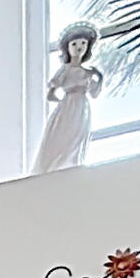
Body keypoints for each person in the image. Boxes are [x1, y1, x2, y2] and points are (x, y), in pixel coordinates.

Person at [34, 22, 104, 172]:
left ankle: (73, 162)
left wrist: (99, 78)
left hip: (81, 107)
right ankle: (58, 163)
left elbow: (94, 93)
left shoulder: (87, 73)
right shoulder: (65, 70)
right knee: (63, 135)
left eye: (83, 43)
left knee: (78, 134)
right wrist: (63, 103)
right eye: (74, 44)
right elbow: (51, 93)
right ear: (68, 47)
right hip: (68, 106)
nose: (79, 47)